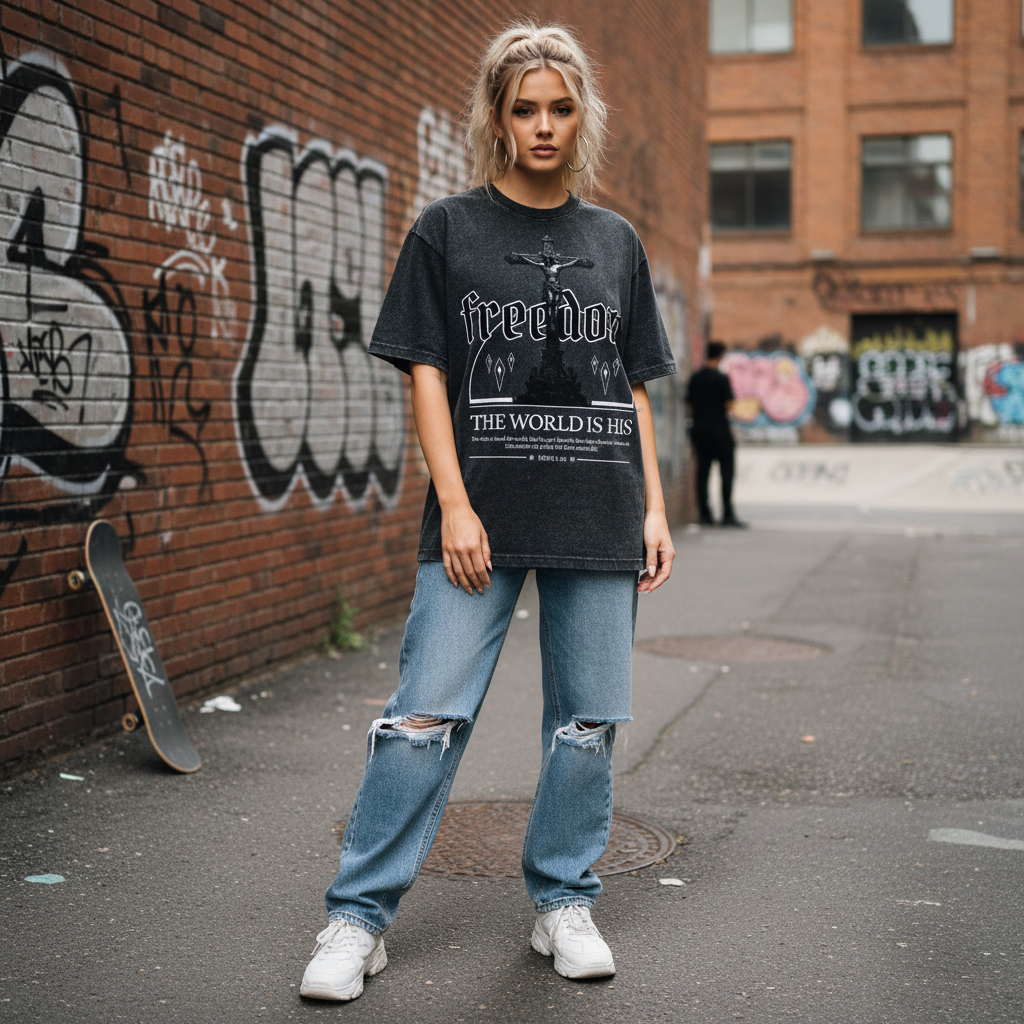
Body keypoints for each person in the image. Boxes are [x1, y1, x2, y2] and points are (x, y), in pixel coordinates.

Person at [299, 21, 677, 1002]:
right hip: (479, 514)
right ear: (498, 118)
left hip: (600, 505)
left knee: (586, 721)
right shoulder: (447, 231)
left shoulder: (614, 242)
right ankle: (356, 919)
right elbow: (427, 375)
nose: (543, 126)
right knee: (422, 715)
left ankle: (563, 899)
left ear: (580, 115)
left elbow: (633, 384)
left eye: (560, 108)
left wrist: (655, 508)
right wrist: (455, 504)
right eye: (525, 109)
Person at [685, 341, 746, 527]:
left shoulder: (695, 378)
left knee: (702, 474)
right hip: (721, 432)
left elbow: (689, 404)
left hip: (700, 432)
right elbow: (730, 405)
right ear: (720, 356)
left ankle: (705, 515)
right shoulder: (721, 378)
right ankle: (727, 514)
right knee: (726, 473)